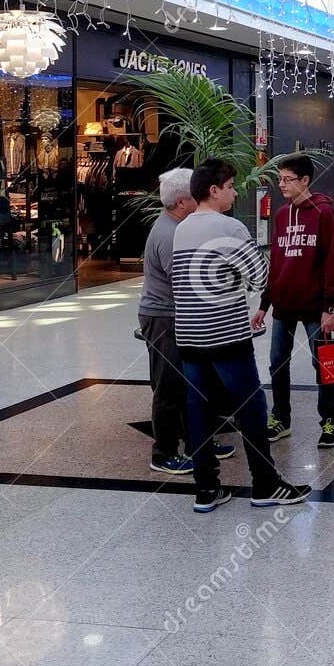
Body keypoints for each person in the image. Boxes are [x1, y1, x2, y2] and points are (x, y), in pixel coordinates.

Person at [173, 159, 309, 513]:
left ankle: (206, 489)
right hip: (226, 335)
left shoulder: (182, 229)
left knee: (198, 409)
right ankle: (265, 484)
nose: (235, 192)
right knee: (251, 407)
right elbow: (261, 277)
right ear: (213, 190)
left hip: (189, 336)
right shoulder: (230, 228)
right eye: (231, 186)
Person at [141, 167, 232, 475]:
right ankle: (163, 452)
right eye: (196, 195)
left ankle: (199, 443)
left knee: (190, 384)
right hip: (164, 318)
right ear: (182, 202)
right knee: (168, 388)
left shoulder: (178, 227)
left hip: (175, 316)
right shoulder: (169, 234)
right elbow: (185, 283)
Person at [255, 154, 334, 450]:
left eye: (287, 179)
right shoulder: (281, 215)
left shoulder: (322, 212)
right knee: (278, 363)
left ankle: (330, 420)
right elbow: (276, 263)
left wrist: (330, 308)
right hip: (284, 304)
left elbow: (332, 262)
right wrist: (264, 304)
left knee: (325, 365)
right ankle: (280, 417)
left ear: (305, 180)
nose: (281, 184)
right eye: (279, 179)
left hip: (316, 306)